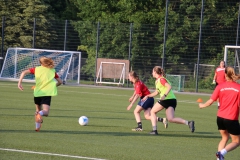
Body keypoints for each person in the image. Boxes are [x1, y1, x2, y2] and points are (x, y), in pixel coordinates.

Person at [199, 66, 240, 160]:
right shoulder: (238, 88)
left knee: (225, 138)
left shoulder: (220, 86)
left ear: (225, 74)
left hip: (220, 118)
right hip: (231, 118)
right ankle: (221, 153)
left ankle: (219, 158)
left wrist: (202, 105)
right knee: (237, 141)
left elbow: (210, 101)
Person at [142, 66, 195, 135]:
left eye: (152, 71)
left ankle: (154, 130)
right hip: (172, 100)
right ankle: (189, 123)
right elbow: (156, 92)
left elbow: (169, 86)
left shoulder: (161, 79)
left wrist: (164, 95)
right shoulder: (157, 81)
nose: (152, 73)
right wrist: (147, 96)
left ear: (155, 72)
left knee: (152, 112)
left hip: (166, 99)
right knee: (170, 119)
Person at [18, 57, 62, 132]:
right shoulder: (52, 71)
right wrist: (53, 86)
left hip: (37, 93)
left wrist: (19, 83)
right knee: (46, 112)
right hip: (46, 93)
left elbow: (23, 72)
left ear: (41, 63)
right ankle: (40, 114)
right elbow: (60, 82)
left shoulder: (36, 69)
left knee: (37, 110)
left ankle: (37, 127)